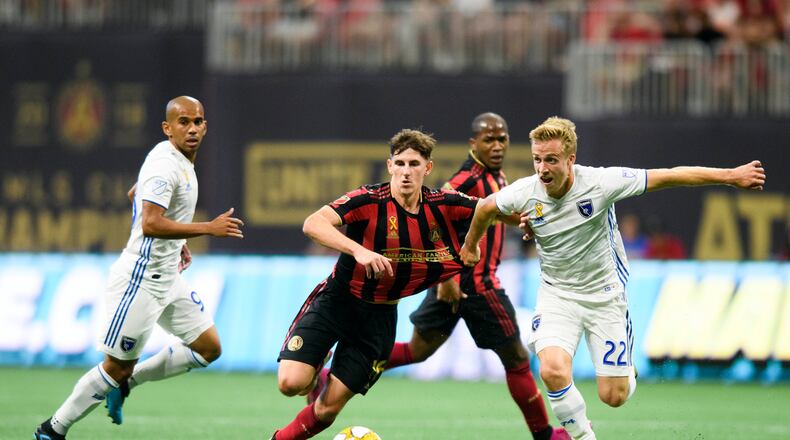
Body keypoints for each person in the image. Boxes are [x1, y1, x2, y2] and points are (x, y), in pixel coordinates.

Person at [459, 116, 765, 440]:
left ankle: (626, 371)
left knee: (614, 396)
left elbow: (669, 175)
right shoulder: (527, 191)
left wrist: (731, 176)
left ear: (571, 159)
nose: (542, 169)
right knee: (551, 370)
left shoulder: (601, 183)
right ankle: (584, 436)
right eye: (537, 159)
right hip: (556, 295)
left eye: (551, 160)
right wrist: (470, 246)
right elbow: (485, 208)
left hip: (604, 295)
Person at [271, 128, 515, 440]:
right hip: (337, 301)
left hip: (379, 320)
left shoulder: (442, 204)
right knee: (291, 384)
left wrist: (503, 230)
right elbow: (312, 223)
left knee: (328, 409)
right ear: (389, 166)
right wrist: (358, 251)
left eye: (414, 164)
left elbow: (490, 207)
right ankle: (316, 369)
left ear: (428, 168)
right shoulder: (368, 199)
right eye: (399, 163)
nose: (406, 172)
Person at [34, 96, 245, 440]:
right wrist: (207, 228)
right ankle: (52, 430)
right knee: (115, 366)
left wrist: (179, 241)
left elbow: (136, 193)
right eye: (183, 122)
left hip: (169, 277)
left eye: (197, 121)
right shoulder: (165, 164)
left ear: (205, 126)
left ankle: (127, 383)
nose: (192, 128)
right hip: (141, 279)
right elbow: (150, 223)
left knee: (208, 348)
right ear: (167, 128)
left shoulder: (180, 161)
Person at [383, 113, 567, 440]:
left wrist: (528, 221)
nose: (496, 146)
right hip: (475, 283)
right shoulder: (466, 180)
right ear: (474, 143)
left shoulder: (496, 176)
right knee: (517, 358)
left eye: (502, 139)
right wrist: (447, 279)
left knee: (417, 350)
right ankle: (546, 436)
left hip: (456, 282)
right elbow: (432, 221)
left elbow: (497, 211)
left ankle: (335, 372)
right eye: (488, 140)